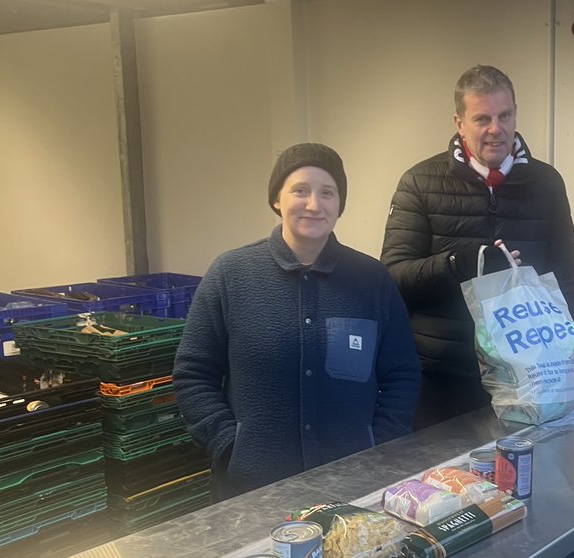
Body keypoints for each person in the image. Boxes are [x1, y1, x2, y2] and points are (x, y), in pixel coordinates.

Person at [174, 143, 421, 498]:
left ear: (340, 205)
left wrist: (379, 448)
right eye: (300, 190)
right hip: (251, 490)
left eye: (327, 193)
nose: (314, 204)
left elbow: (403, 375)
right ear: (277, 199)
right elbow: (193, 373)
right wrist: (230, 447)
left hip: (351, 485)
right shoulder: (231, 274)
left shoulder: (371, 280)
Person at [382, 65, 574, 428]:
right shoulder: (419, 182)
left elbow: (568, 279)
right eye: (482, 118)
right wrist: (456, 265)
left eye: (505, 115)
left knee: (529, 479)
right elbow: (393, 278)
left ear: (515, 113)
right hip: (442, 375)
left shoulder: (547, 183)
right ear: (459, 123)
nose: (495, 129)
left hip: (528, 378)